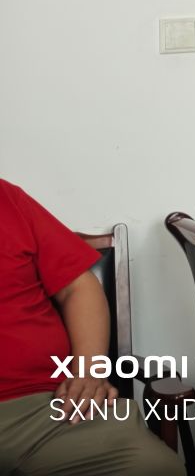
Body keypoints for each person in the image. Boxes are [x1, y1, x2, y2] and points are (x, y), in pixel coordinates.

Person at [0, 179, 182, 476]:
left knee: (154, 467)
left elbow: (78, 287)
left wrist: (88, 372)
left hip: (51, 408)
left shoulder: (7, 199)